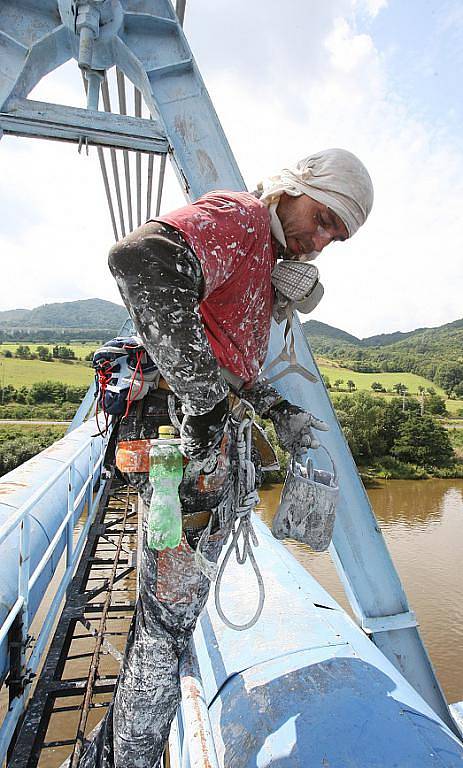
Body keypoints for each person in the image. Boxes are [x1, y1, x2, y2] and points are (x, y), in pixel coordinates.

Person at [80, 148, 373, 768]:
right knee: (167, 621)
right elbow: (141, 257)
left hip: (206, 450)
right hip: (185, 450)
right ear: (295, 187)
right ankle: (121, 758)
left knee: (174, 614)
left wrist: (276, 409)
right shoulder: (241, 217)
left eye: (335, 237)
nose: (320, 242)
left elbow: (229, 367)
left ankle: (121, 745)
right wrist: (203, 399)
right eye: (321, 220)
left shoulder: (265, 263)